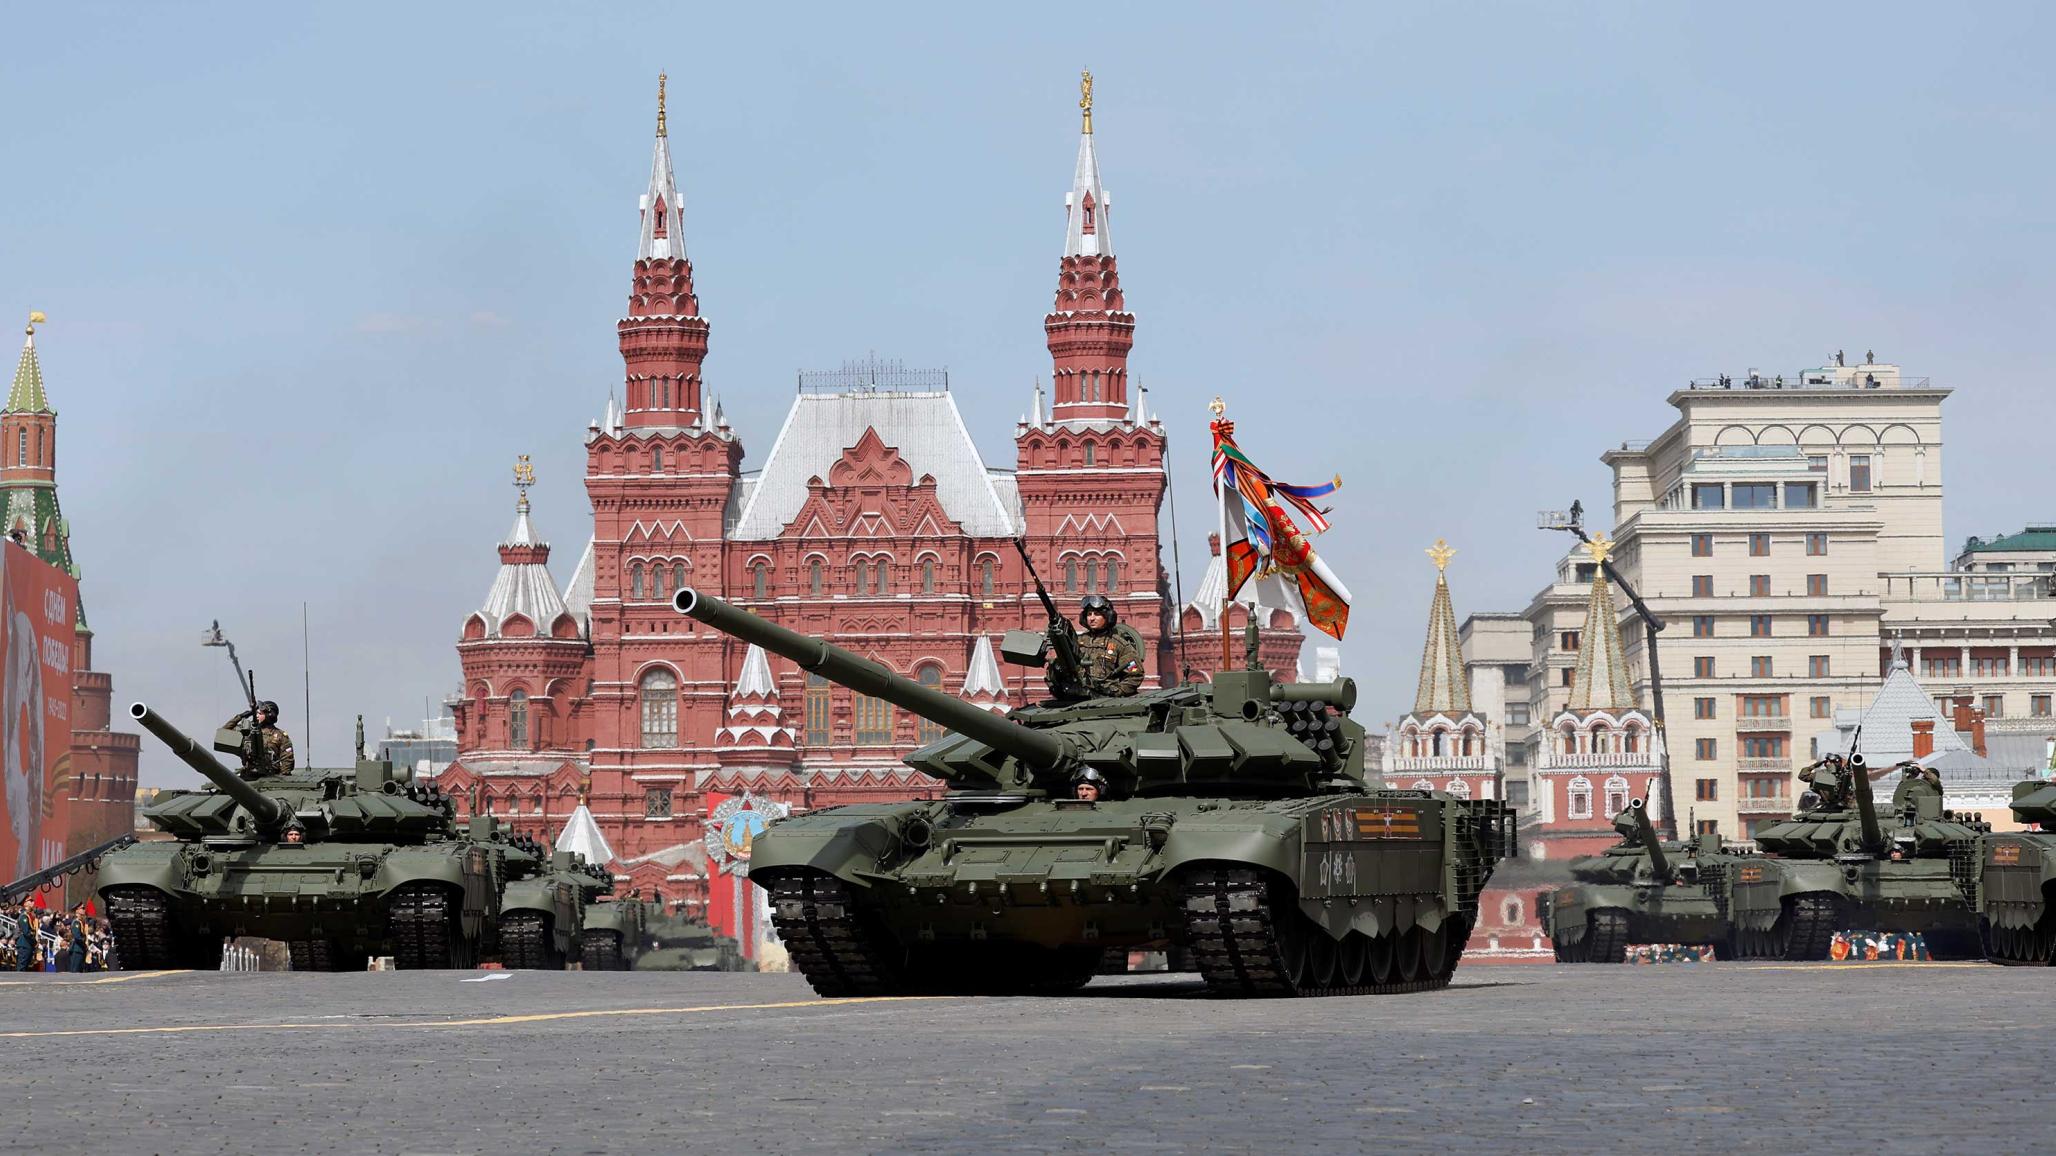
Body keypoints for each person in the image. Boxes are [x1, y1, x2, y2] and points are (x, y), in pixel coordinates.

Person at [1063, 595, 1142, 698]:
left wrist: (1115, 691)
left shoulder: (1118, 644)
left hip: (1107, 701)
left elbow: (1135, 674)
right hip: (1076, 697)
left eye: (1096, 614)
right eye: (1089, 614)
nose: (1091, 618)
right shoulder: (1077, 642)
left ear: (1108, 616)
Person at [222, 700, 295, 776]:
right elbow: (223, 733)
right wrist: (240, 717)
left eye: (260, 713)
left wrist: (282, 778)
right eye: (256, 713)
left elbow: (287, 759)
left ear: (270, 715)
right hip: (249, 775)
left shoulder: (280, 735)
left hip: (270, 776)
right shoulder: (247, 731)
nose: (256, 715)